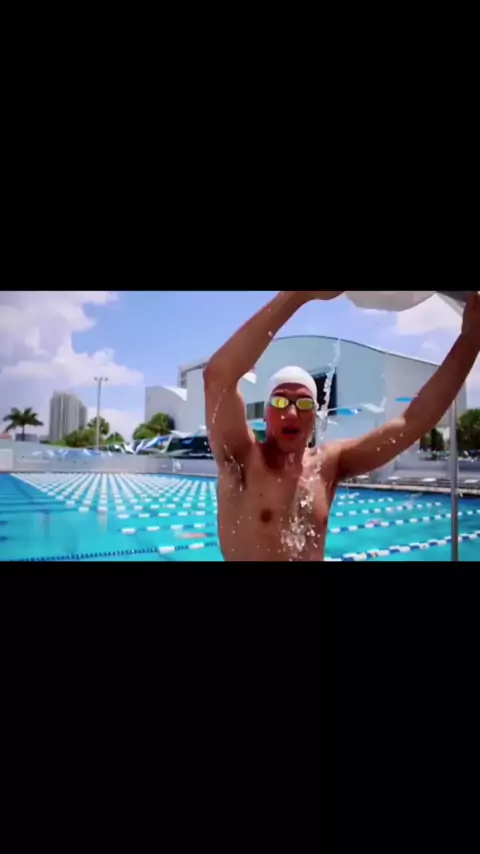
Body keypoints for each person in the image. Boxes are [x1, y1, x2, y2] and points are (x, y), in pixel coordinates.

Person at [204, 291, 480, 562]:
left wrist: (471, 339)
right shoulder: (241, 459)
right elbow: (218, 377)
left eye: (304, 404)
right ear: (265, 415)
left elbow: (412, 422)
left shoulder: (328, 465)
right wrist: (299, 295)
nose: (291, 412)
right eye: (279, 402)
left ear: (315, 417)